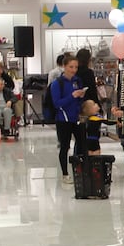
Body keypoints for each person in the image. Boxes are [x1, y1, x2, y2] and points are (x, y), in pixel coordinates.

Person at [49, 55, 87, 183]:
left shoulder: (78, 81)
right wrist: (72, 96)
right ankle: (65, 174)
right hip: (63, 119)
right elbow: (57, 103)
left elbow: (80, 100)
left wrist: (81, 96)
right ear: (64, 66)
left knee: (82, 144)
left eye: (76, 67)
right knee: (65, 146)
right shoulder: (57, 84)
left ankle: (81, 170)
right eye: (71, 67)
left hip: (76, 118)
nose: (74, 70)